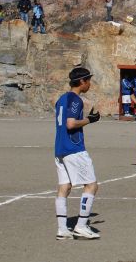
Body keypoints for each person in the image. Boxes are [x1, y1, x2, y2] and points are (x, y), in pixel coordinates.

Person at [54, 67, 101, 240]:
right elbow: (71, 124)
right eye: (88, 80)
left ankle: (62, 229)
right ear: (82, 81)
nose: (90, 83)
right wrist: (90, 120)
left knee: (64, 187)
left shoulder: (62, 98)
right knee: (91, 185)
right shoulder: (75, 99)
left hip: (59, 149)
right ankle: (81, 226)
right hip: (73, 149)